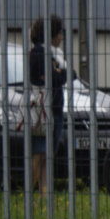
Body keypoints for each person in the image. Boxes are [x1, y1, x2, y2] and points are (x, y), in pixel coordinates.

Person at [27, 14, 73, 197]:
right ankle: (29, 197)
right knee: (39, 154)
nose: (62, 37)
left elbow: (66, 75)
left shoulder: (53, 54)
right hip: (43, 111)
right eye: (59, 33)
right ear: (51, 34)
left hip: (52, 109)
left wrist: (61, 74)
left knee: (46, 156)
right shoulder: (40, 53)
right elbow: (57, 78)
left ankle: (44, 197)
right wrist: (61, 74)